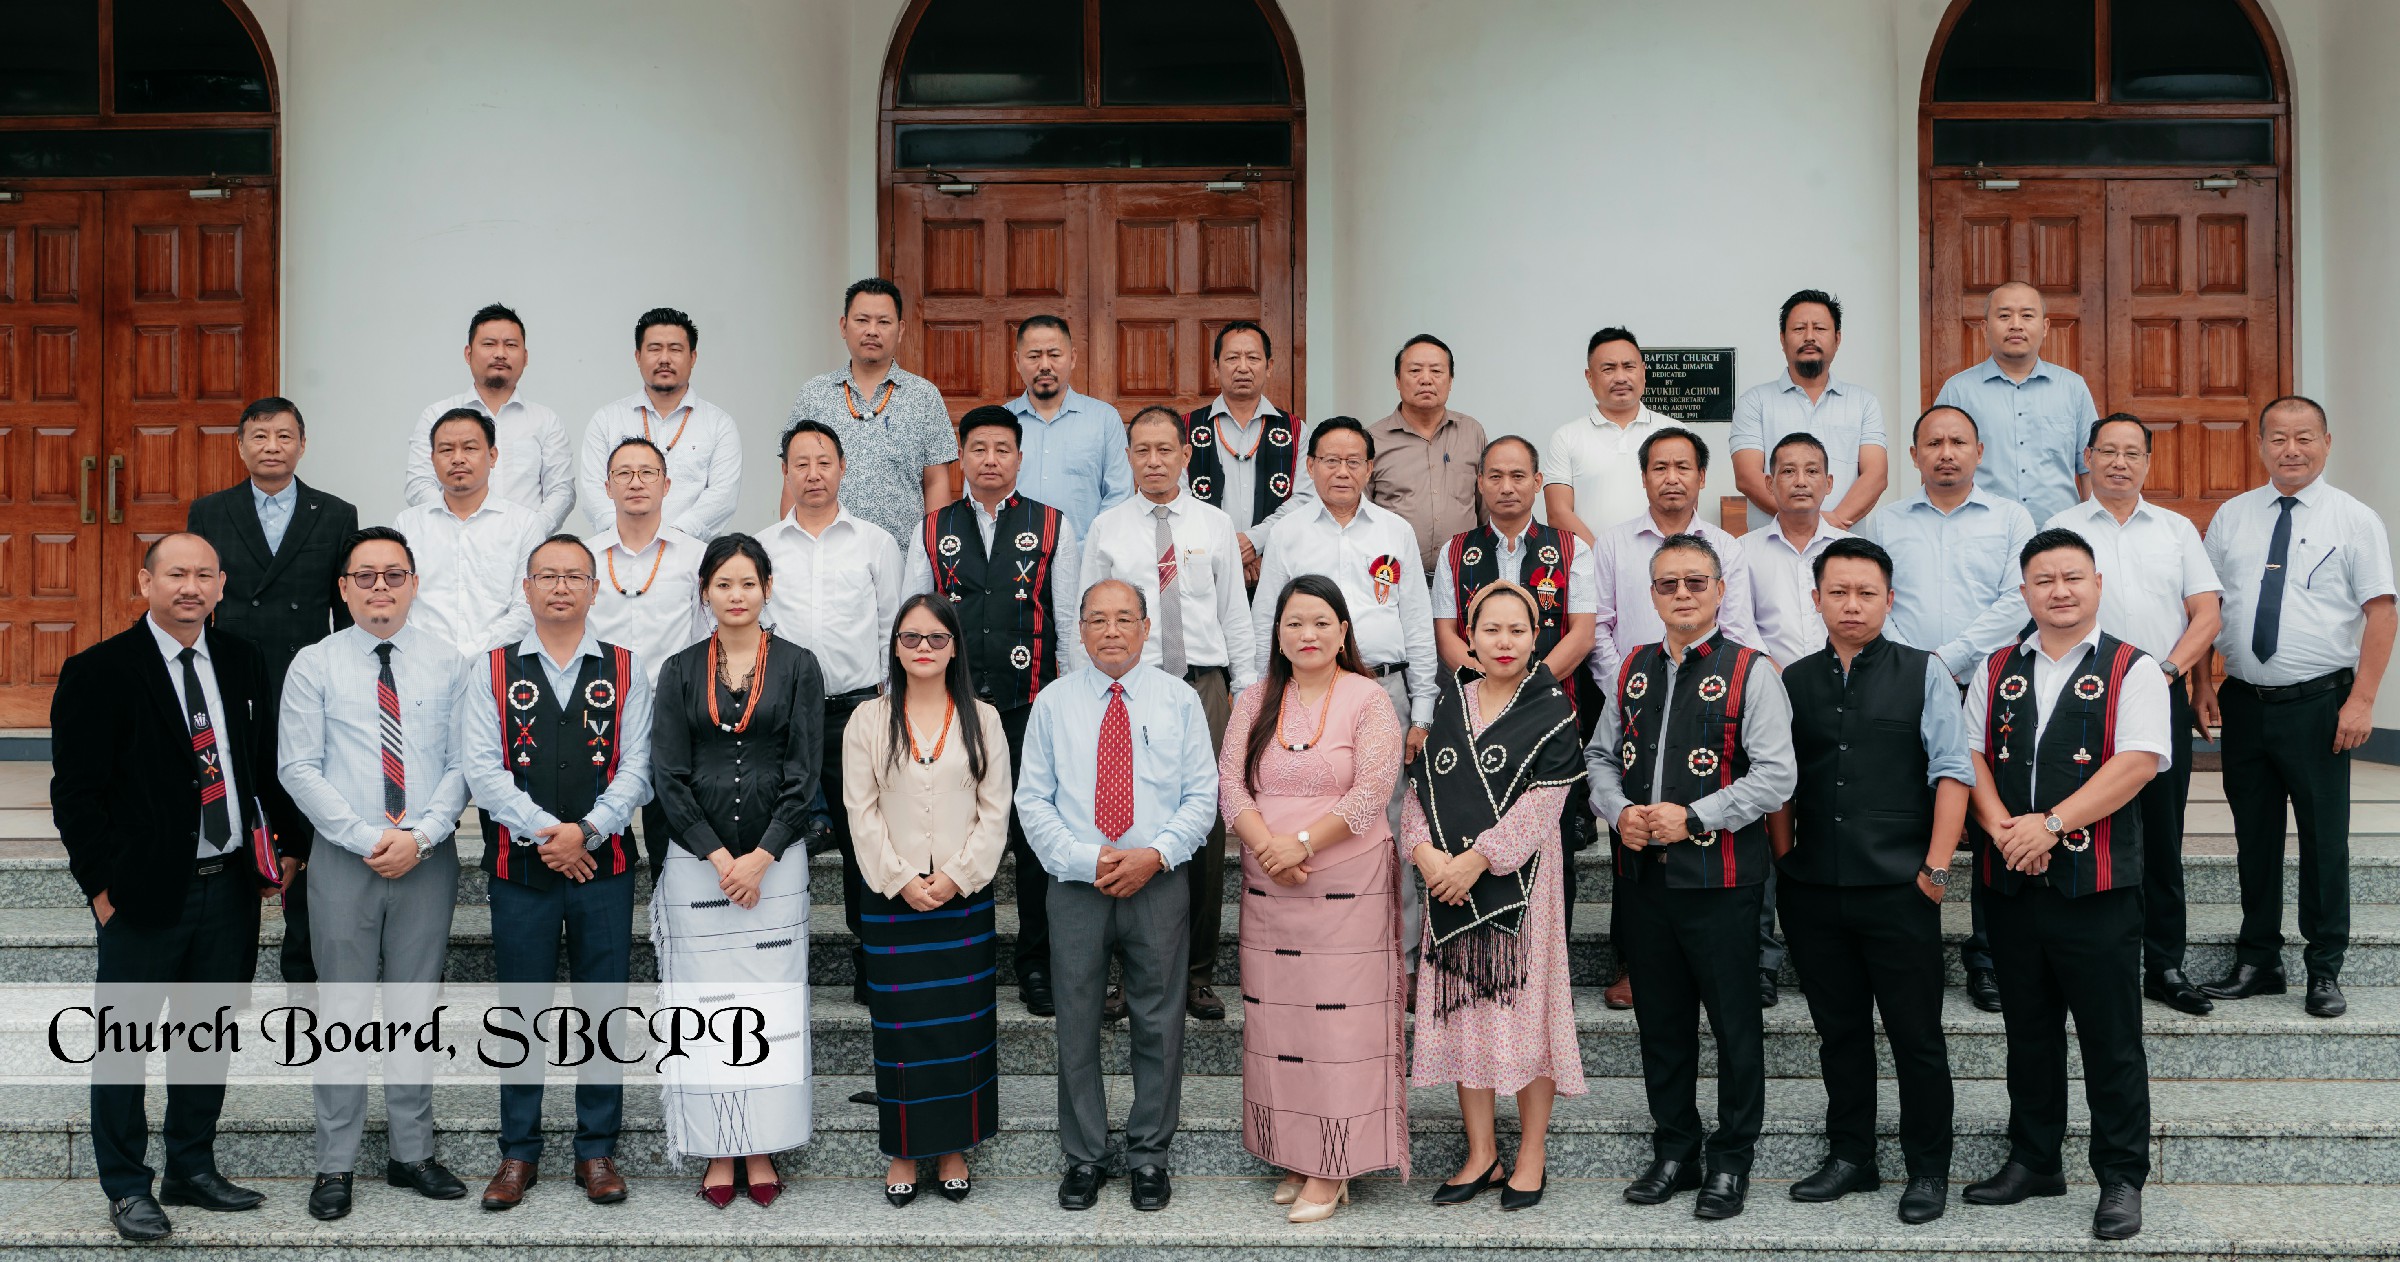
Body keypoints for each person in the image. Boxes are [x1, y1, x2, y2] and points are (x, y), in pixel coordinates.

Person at [53, 533, 298, 1240]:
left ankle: (191, 1167)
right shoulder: (99, 670)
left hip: (228, 888)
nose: (190, 587)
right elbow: (76, 795)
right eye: (176, 574)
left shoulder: (242, 660)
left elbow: (262, 763)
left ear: (220, 585)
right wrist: (102, 890)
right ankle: (127, 1186)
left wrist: (284, 849)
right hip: (143, 894)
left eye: (203, 575)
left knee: (206, 1035)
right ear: (146, 582)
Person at [1960, 528, 2168, 1242]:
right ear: (2024, 592)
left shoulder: (2133, 668)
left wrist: (2048, 826)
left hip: (2098, 887)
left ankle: (2120, 1176)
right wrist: (2005, 832)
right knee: (2029, 1031)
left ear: (2097, 584)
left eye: (2072, 577)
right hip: (2011, 884)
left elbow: (2137, 763)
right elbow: (1971, 757)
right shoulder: (1997, 668)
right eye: (2044, 580)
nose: (2060, 591)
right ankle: (2034, 1159)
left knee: (2111, 1039)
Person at [1586, 533, 1795, 1222]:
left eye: (1695, 582)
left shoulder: (1752, 671)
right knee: (1662, 1024)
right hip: (1644, 882)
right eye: (1668, 583)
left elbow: (1776, 776)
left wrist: (1696, 816)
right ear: (1651, 595)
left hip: (1723, 882)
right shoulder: (1632, 669)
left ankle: (1731, 1160)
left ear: (1719, 591)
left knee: (1735, 1028)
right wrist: (1617, 811)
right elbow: (1600, 757)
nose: (1682, 593)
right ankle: (1676, 1149)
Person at [277, 526, 472, 1222]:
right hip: (343, 858)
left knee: (415, 1008)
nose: (380, 587)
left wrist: (421, 835)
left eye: (393, 574)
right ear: (344, 588)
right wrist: (367, 837)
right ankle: (335, 1163)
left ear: (414, 584)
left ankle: (412, 1153)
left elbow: (465, 762)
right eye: (365, 576)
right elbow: (297, 767)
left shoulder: (450, 663)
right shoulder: (314, 664)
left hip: (426, 857)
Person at [1777, 537, 1969, 1225]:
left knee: (1917, 1035)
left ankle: (1928, 1168)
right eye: (1838, 592)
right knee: (1839, 1032)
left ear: (1890, 600)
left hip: (1900, 888)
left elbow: (1952, 771)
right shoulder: (1793, 680)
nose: (1851, 605)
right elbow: (1779, 779)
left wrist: (1936, 870)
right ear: (1817, 599)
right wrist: (1785, 859)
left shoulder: (1925, 673)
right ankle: (1851, 1156)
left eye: (1866, 593)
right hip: (1814, 889)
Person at [459, 534, 653, 1211]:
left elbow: (638, 768)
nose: (561, 586)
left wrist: (587, 832)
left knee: (602, 1007)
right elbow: (482, 769)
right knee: (521, 1011)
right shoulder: (492, 669)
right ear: (528, 587)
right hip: (521, 869)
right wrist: (551, 834)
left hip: (605, 867)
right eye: (548, 575)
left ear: (595, 589)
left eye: (574, 576)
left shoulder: (626, 668)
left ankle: (596, 1150)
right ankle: (518, 1153)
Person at [1017, 580, 1218, 1214]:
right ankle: (1084, 1155)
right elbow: (1033, 800)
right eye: (1098, 620)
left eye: (1124, 619)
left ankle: (1149, 1154)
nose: (1111, 631)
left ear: (1146, 627)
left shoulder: (1179, 699)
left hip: (1158, 882)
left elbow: (1201, 797)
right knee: (1076, 1020)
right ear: (1079, 631)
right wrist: (1088, 859)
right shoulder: (1053, 703)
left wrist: (1153, 855)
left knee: (1159, 1021)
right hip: (1077, 885)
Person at [2199, 396, 2397, 1019]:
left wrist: (2362, 701)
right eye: (2279, 438)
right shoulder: (2231, 516)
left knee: (2322, 840)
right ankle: (2259, 960)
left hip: (2320, 705)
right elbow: (2205, 606)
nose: (2292, 449)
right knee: (2253, 839)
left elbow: (2382, 614)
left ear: (2326, 443)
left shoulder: (2355, 519)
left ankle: (2324, 968)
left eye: (2305, 437)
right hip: (2245, 703)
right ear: (2260, 445)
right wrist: (2203, 682)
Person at [1220, 575, 1408, 1222]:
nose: (1309, 634)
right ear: (1277, 634)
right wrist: (1268, 847)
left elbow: (1373, 790)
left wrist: (1299, 844)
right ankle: (1300, 1153)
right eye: (1295, 622)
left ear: (1344, 631)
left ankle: (1334, 1165)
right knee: (1281, 1025)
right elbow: (1230, 785)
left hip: (1346, 886)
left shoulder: (1369, 698)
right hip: (1270, 885)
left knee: (1336, 1025)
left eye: (1322, 622)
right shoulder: (1254, 700)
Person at [650, 533, 825, 1209]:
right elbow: (669, 775)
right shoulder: (679, 669)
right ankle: (718, 1145)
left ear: (767, 588)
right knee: (705, 1006)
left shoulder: (799, 666)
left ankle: (762, 1144)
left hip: (774, 862)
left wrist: (761, 856)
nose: (736, 595)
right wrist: (721, 858)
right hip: (700, 864)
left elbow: (804, 770)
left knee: (771, 1007)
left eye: (748, 583)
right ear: (705, 593)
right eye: (723, 584)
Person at [1406, 581, 1588, 1213]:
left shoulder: (1553, 708)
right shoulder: (1448, 704)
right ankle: (1482, 1153)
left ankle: (1531, 1152)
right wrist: (1425, 855)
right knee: (1466, 1014)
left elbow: (1544, 805)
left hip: (1523, 887)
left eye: (1517, 630)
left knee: (1526, 1013)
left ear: (1536, 637)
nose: (1504, 642)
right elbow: (1419, 792)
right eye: (1491, 630)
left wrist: (1476, 860)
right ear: (1470, 639)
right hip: (1449, 890)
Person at [1853, 404, 2038, 1012]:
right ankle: (1906, 951)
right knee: (1908, 813)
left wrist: (1946, 658)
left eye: (1959, 442)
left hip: (1990, 684)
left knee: (1991, 820)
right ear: (1914, 456)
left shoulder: (2011, 518)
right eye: (1933, 443)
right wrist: (1915, 667)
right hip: (1905, 686)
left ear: (1979, 451)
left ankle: (1989, 958)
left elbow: (2018, 600)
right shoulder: (1886, 521)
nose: (1947, 453)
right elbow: (1877, 598)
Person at [1082, 405, 1260, 1020]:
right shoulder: (1107, 528)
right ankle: (1128, 975)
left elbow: (1235, 614)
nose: (1154, 461)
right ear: (1128, 456)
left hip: (1204, 687)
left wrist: (1247, 694)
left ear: (1186, 454)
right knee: (1126, 822)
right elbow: (1084, 616)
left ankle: (1197, 973)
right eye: (1142, 450)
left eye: (1165, 450)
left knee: (1203, 829)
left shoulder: (1215, 524)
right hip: (1129, 687)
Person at [902, 405, 1080, 1014]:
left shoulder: (1051, 524)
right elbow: (912, 618)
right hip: (951, 709)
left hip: (1030, 704)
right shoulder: (934, 527)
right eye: (978, 448)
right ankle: (959, 956)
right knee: (952, 830)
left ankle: (1036, 964)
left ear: (1019, 458)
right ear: (962, 457)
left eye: (1002, 449)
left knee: (1031, 837)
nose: (990, 460)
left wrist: (1068, 701)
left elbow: (1067, 621)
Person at [2045, 414, 2223, 1015]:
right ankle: (2086, 960)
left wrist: (2169, 671)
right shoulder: (2061, 527)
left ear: (2148, 462)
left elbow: (2206, 614)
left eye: (2132, 453)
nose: (2119, 463)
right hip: (2077, 699)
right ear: (2088, 458)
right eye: (2108, 452)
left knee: (2161, 835)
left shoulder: (2176, 530)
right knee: (2079, 824)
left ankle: (2164, 964)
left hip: (2157, 693)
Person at [843, 594, 1012, 1206]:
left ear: (954, 647)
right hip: (893, 899)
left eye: (937, 638)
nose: (923, 648)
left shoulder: (982, 718)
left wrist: (958, 876)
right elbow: (860, 811)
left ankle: (953, 1147)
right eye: (911, 637)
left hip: (962, 899)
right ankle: (903, 1150)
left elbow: (995, 809)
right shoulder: (868, 720)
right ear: (895, 646)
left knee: (962, 1026)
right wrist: (902, 879)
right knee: (901, 1033)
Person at [185, 395, 358, 988]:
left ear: (302, 445)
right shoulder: (211, 511)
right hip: (235, 684)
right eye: (259, 436)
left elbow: (344, 609)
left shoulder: (335, 514)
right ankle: (226, 959)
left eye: (284, 436)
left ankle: (304, 965)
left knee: (305, 823)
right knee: (242, 807)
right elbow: (199, 603)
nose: (272, 447)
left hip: (307, 683)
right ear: (240, 446)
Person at [1587, 427, 1758, 1011]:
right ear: (1643, 477)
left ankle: (1725, 963)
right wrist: (1629, 689)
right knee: (1632, 830)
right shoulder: (1614, 543)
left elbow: (1738, 625)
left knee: (1702, 826)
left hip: (1711, 696)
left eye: (1683, 466)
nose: (1672, 478)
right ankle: (1633, 962)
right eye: (1659, 467)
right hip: (1636, 694)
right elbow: (1600, 626)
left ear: (1702, 477)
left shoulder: (1725, 546)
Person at [760, 419, 903, 1002]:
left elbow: (893, 627)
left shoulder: (875, 542)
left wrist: (889, 705)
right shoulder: (765, 547)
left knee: (863, 840)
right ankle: (772, 962)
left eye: (824, 463)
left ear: (843, 468)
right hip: (783, 718)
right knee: (776, 836)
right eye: (801, 464)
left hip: (858, 713)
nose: (813, 474)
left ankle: (872, 957)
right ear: (785, 473)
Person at [1431, 435, 1597, 927]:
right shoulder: (1455, 551)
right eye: (1496, 476)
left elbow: (1582, 633)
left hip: (1549, 719)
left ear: (1538, 482)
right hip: (1474, 721)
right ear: (1480, 482)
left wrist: (1524, 687)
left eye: (1518, 476)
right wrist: (1491, 683)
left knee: (1552, 843)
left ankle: (1548, 952)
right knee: (1473, 832)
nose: (1507, 487)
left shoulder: (1571, 548)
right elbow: (1446, 634)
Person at [1731, 432, 1852, 1005]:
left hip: (1840, 703)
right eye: (1787, 471)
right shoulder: (1744, 551)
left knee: (1832, 823)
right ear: (1769, 483)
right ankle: (1760, 958)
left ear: (1829, 482)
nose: (1800, 480)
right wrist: (1782, 676)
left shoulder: (1852, 547)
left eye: (1811, 470)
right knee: (1763, 830)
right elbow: (1738, 624)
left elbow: (1866, 615)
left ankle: (1823, 953)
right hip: (1764, 700)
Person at [585, 435, 711, 878]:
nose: (635, 482)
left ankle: (668, 909)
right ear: (607, 487)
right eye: (624, 473)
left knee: (669, 829)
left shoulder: (695, 557)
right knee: (602, 825)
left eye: (647, 473)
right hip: (599, 710)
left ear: (666, 484)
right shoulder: (585, 557)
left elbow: (709, 633)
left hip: (673, 710)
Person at [785, 277, 958, 545]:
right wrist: (791, 547)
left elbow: (936, 482)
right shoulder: (814, 394)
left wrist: (935, 551)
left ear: (900, 330)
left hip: (903, 555)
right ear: (844, 326)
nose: (872, 331)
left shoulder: (924, 396)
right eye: (862, 320)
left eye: (884, 322)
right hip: (825, 553)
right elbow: (792, 480)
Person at [1933, 281, 2099, 527]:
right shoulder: (1958, 391)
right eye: (2004, 316)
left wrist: (2093, 531)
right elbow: (1936, 466)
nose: (2016, 325)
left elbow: (2090, 468)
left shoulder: (2073, 388)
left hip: (2058, 534)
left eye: (2027, 315)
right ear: (1984, 328)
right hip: (1980, 531)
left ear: (2045, 327)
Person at [392, 408, 550, 658]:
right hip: (420, 663)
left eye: (469, 448)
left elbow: (528, 606)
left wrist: (465, 656)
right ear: (432, 458)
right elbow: (396, 600)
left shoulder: (524, 524)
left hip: (498, 664)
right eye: (446, 450)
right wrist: (428, 656)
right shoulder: (407, 524)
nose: (458, 459)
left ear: (492, 456)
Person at [576, 307, 743, 540]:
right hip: (620, 549)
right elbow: (594, 490)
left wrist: (674, 538)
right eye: (654, 349)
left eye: (675, 349)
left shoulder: (719, 425)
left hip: (692, 552)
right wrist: (630, 536)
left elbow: (722, 496)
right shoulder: (607, 420)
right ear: (638, 356)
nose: (664, 359)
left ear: (693, 357)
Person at [407, 303, 574, 530]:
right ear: (468, 354)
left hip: (526, 546)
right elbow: (419, 484)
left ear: (525, 357)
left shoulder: (546, 421)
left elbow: (562, 491)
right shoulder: (436, 415)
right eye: (489, 344)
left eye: (511, 345)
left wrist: (530, 533)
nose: (500, 354)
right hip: (454, 540)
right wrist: (459, 527)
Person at [1729, 290, 1888, 528]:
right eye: (1799, 329)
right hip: (1774, 544)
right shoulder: (1755, 402)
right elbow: (1747, 476)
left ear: (1837, 338)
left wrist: (1828, 527)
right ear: (1782, 339)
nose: (1809, 337)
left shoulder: (1864, 402)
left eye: (1820, 328)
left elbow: (1876, 475)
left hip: (1844, 543)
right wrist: (1811, 521)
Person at [1183, 320, 1313, 588]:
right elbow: (1178, 497)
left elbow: (1305, 499)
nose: (1243, 367)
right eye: (1232, 358)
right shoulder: (1185, 428)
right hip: (1203, 569)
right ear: (1215, 366)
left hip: (1276, 567)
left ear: (1269, 366)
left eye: (1253, 358)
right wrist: (1227, 549)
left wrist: (1256, 542)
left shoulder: (1296, 430)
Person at [1542, 327, 1675, 544]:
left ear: (1643, 371)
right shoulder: (1566, 437)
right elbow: (1558, 512)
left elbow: (1685, 506)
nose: (1620, 377)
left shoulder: (1674, 432)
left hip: (1661, 561)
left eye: (1629, 367)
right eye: (1608, 369)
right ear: (1589, 377)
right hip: (1590, 561)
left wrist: (1661, 558)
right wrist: (1601, 556)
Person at [1004, 314, 1132, 537]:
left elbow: (1119, 497)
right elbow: (979, 494)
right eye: (1034, 356)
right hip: (1011, 554)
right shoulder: (999, 422)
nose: (1045, 366)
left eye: (1054, 355)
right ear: (1017, 361)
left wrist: (1093, 550)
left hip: (1085, 555)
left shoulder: (1104, 419)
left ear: (1072, 358)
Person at [1368, 333, 1486, 573]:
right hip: (1393, 576)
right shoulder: (1372, 440)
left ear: (1450, 381)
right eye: (1415, 371)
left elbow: (1486, 507)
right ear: (1398, 380)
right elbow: (1360, 514)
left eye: (1436, 371)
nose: (1426, 379)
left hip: (1463, 574)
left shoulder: (1471, 432)